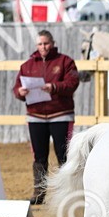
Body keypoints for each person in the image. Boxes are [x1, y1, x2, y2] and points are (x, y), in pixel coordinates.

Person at [13, 30, 79, 204]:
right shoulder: (27, 65)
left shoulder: (65, 62)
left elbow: (73, 83)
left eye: (46, 43)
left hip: (61, 115)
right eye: (40, 44)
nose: (43, 47)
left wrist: (55, 87)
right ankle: (39, 193)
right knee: (39, 157)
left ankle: (66, 193)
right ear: (36, 46)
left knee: (63, 155)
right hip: (36, 116)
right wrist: (20, 92)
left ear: (53, 43)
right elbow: (16, 88)